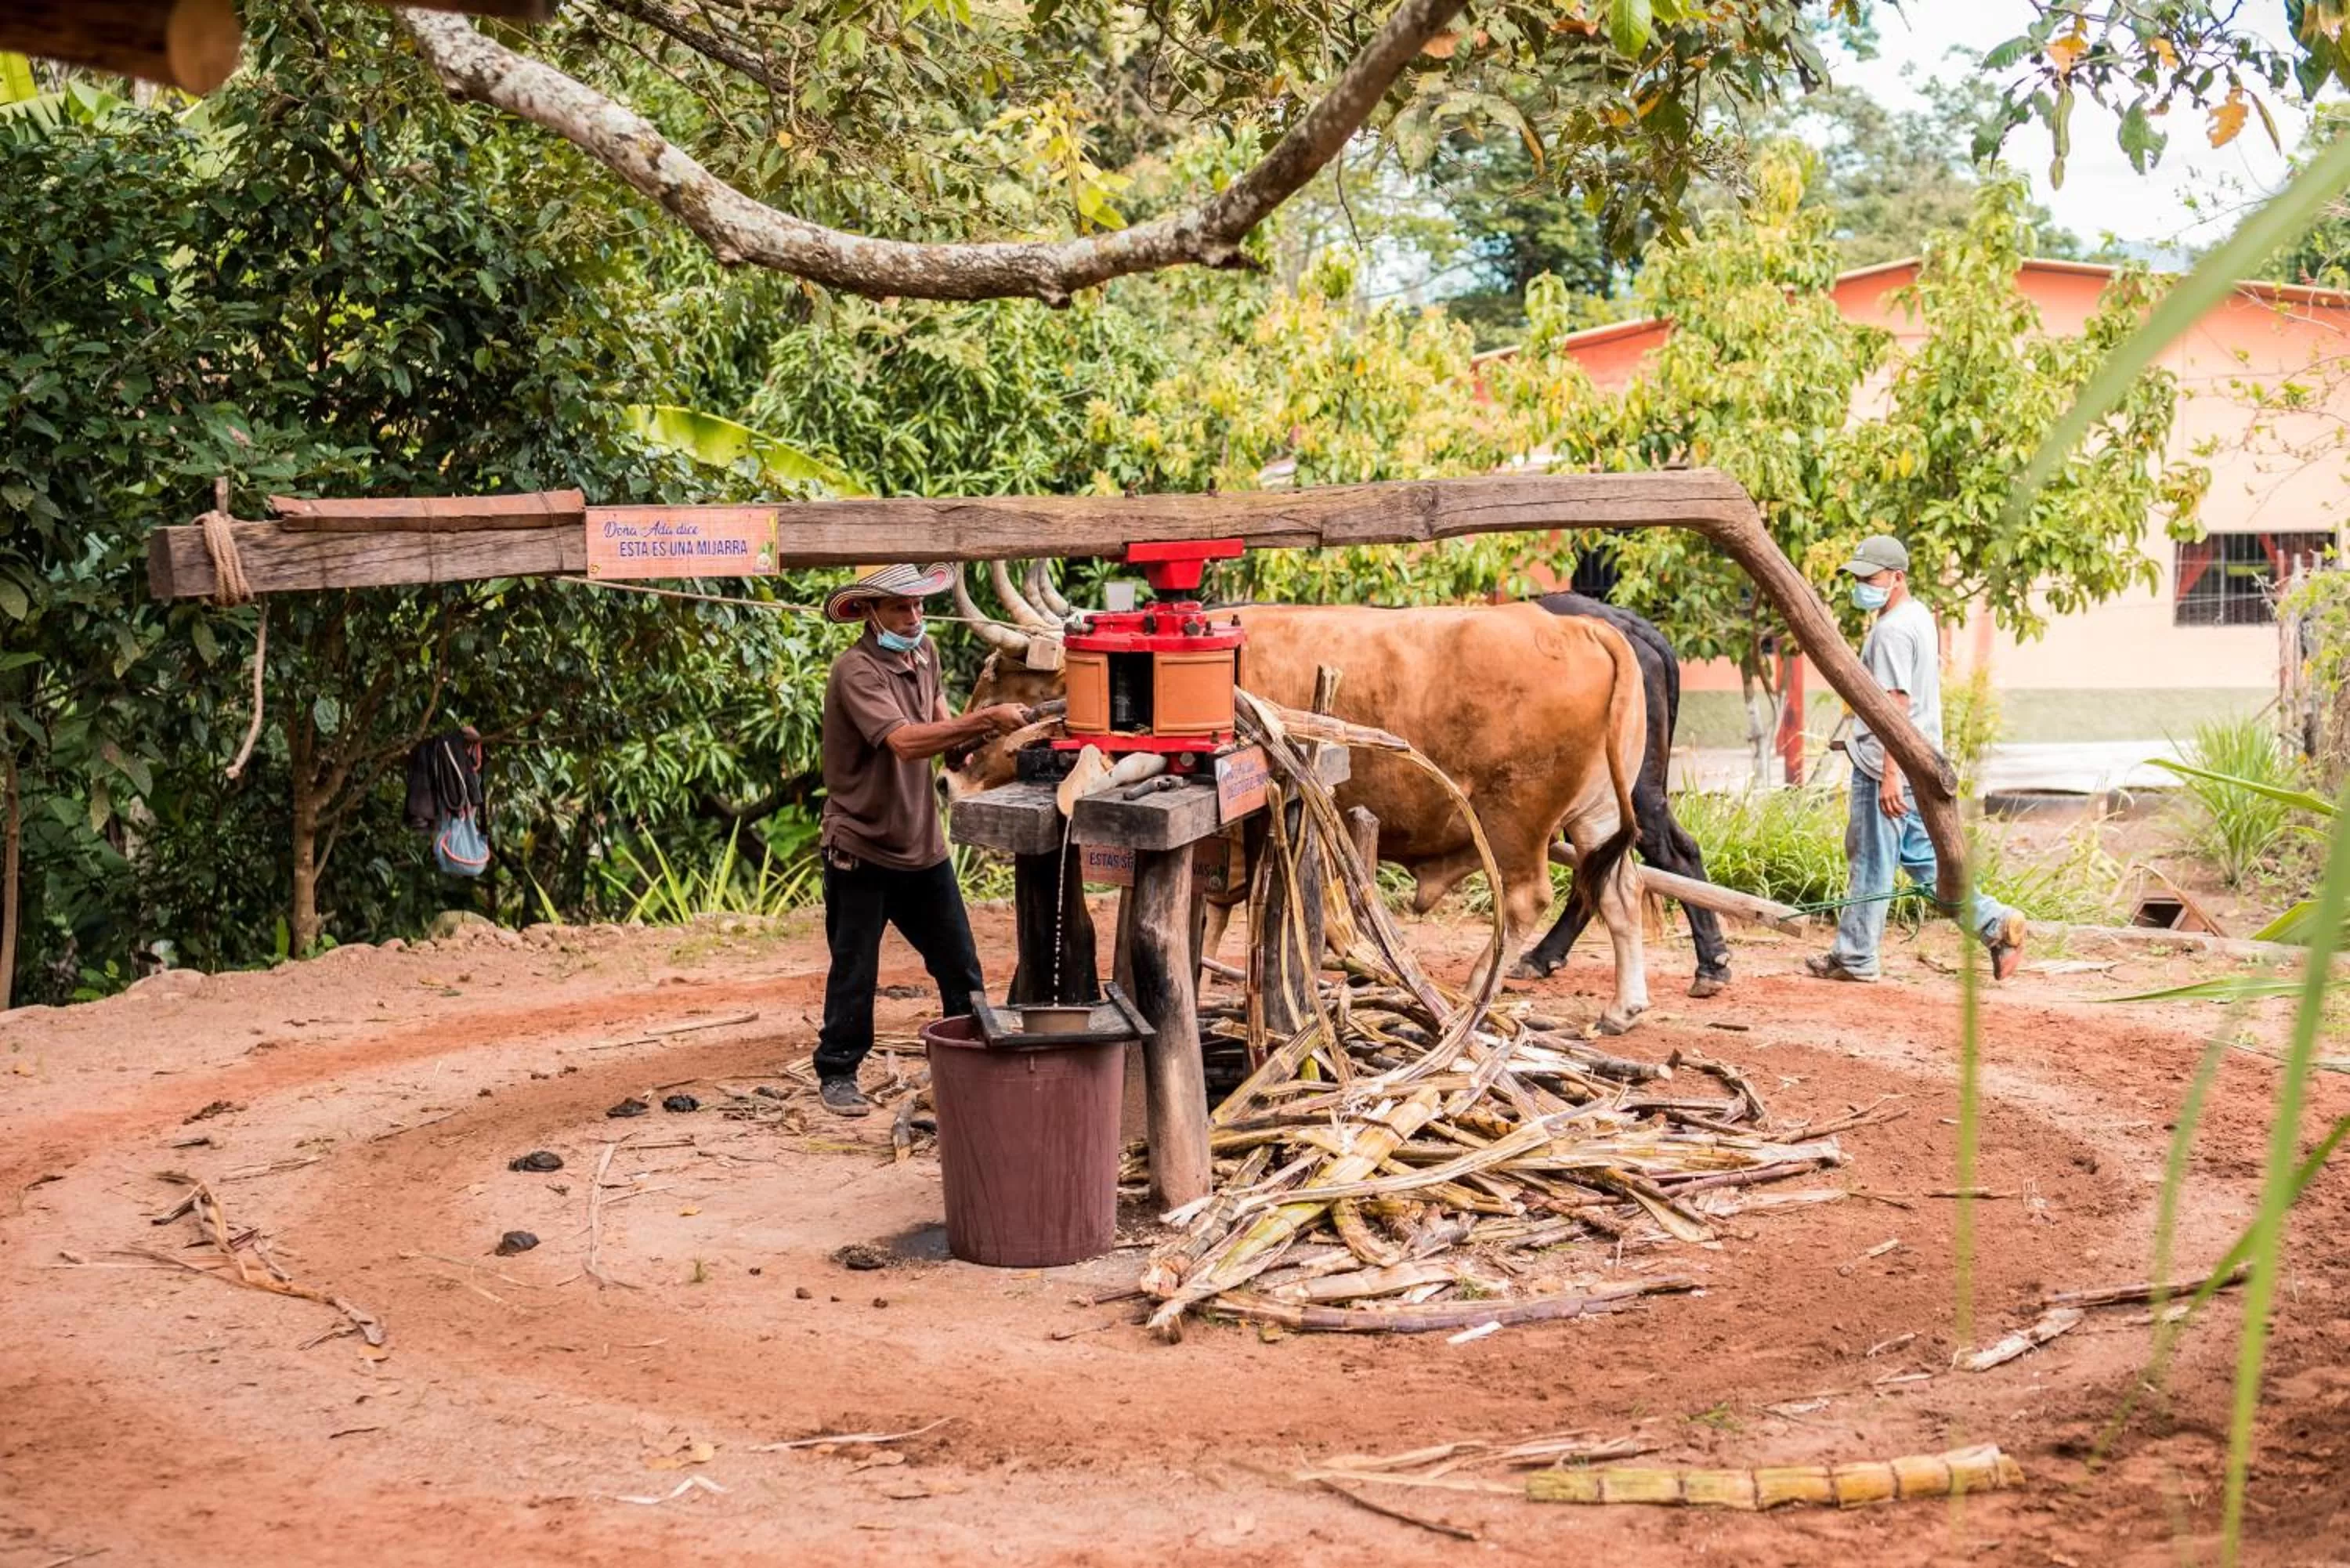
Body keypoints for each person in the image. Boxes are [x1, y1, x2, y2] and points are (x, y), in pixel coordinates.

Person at [814, 563, 1029, 1115]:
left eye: (917, 605)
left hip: (921, 843)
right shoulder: (856, 672)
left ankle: (975, 1060)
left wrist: (969, 741)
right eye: (899, 607)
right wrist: (986, 719)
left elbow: (939, 726)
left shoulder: (923, 653)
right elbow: (908, 743)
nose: (913, 617)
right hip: (861, 846)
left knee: (960, 964)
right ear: (867, 612)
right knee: (855, 968)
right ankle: (838, 1071)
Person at [1806, 535, 2028, 984]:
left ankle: (1856, 958)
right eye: (1859, 578)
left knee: (1871, 860)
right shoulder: (1917, 616)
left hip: (1884, 766)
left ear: (1897, 577)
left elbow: (1893, 709)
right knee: (1925, 864)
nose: (1862, 586)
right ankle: (1995, 924)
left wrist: (1890, 775)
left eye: (1870, 578)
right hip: (1919, 763)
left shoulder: (1891, 631)